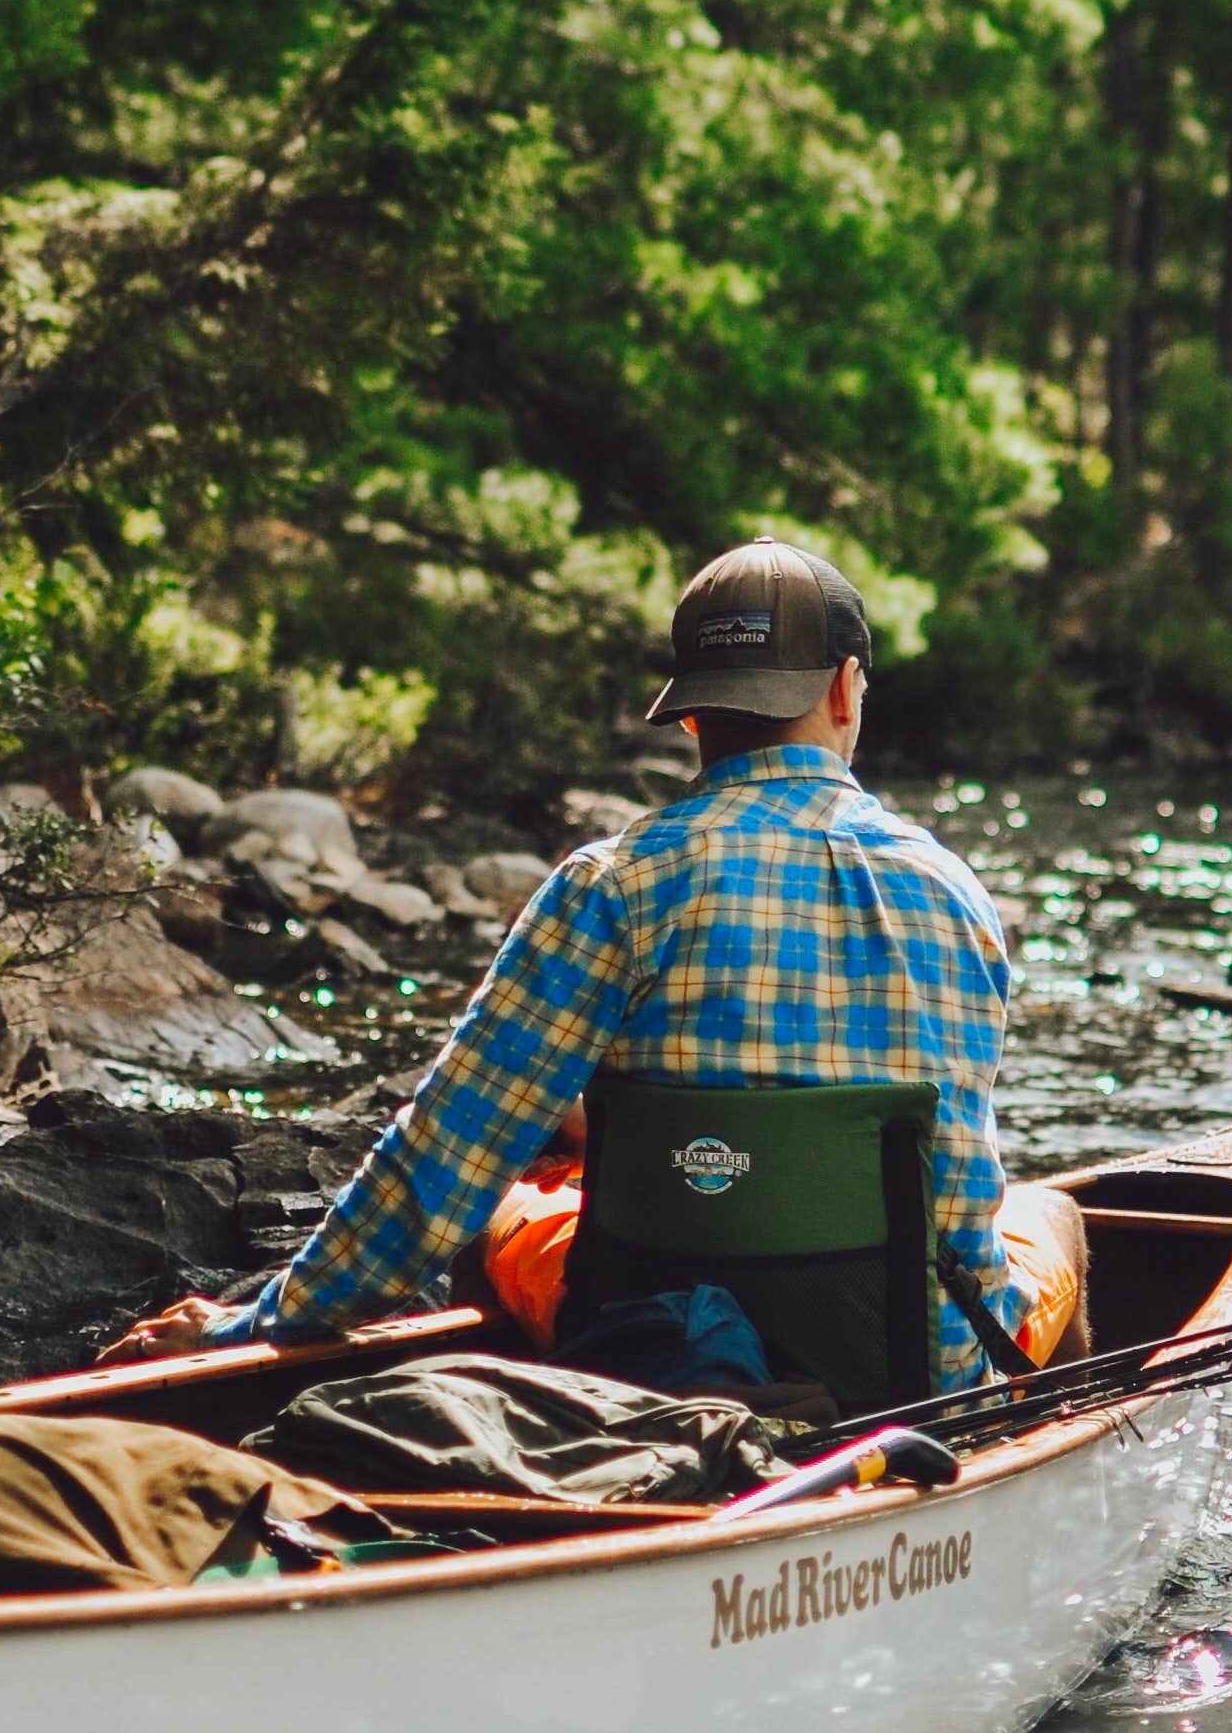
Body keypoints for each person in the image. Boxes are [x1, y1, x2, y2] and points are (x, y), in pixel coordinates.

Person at [103, 538, 1086, 1394]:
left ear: (694, 716)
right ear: (842, 691)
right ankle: (1036, 1451)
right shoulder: (953, 893)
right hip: (909, 1369)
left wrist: (259, 1322)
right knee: (1056, 1215)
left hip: (647, 1355)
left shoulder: (611, 883)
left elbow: (442, 1159)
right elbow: (957, 1185)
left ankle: (571, 1438)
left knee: (504, 1205)